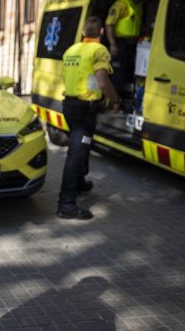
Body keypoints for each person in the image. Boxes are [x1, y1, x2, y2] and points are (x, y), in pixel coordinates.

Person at [58, 16, 120, 220]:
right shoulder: (99, 50)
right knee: (77, 151)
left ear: (84, 33)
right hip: (86, 109)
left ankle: (80, 183)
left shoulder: (71, 50)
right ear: (101, 33)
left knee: (80, 144)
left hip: (69, 105)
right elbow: (102, 82)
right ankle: (66, 204)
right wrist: (115, 99)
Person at [105, 0, 143, 100]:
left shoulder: (138, 5)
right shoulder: (121, 4)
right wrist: (113, 44)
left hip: (133, 44)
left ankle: (124, 100)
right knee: (118, 74)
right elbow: (109, 24)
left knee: (129, 72)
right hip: (120, 43)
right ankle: (113, 103)